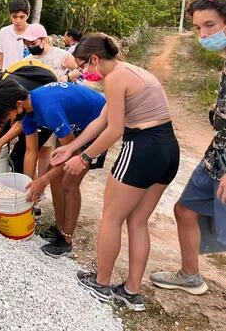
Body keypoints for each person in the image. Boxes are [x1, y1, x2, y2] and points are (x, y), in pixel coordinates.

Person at [50, 33, 179, 312]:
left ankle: (102, 283)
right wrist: (71, 146)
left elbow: (115, 130)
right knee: (138, 221)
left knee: (111, 217)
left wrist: (84, 158)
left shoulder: (115, 79)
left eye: (83, 65)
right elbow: (103, 118)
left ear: (95, 59)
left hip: (142, 149)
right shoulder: (129, 71)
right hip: (168, 150)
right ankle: (132, 292)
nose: (82, 72)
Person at [150, 0, 226, 297]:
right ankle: (190, 274)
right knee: (185, 209)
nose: (203, 34)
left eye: (210, 25)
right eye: (197, 28)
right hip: (216, 154)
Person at [0, 79, 106, 258]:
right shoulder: (28, 113)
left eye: (9, 115)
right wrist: (29, 188)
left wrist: (42, 180)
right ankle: (60, 228)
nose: (12, 120)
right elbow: (31, 152)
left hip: (99, 120)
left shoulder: (48, 108)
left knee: (70, 180)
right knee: (56, 175)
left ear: (18, 104)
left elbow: (74, 154)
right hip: (74, 122)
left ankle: (66, 241)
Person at [0, 0, 31, 70]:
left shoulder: (34, 32)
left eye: (21, 17)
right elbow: (0, 60)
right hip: (7, 77)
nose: (18, 20)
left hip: (27, 77)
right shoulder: (4, 32)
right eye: (14, 17)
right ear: (9, 15)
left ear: (28, 14)